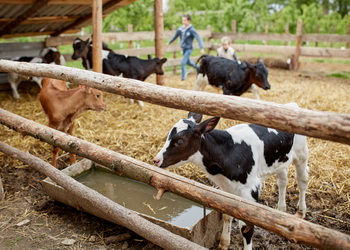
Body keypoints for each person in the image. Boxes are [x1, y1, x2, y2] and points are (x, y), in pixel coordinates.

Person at [167, 14, 205, 80]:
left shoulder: (192, 30)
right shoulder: (180, 29)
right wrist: (169, 42)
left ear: (189, 21)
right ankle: (198, 67)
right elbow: (175, 36)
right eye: (182, 20)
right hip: (183, 49)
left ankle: (183, 77)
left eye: (185, 20)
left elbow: (198, 38)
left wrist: (201, 48)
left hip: (189, 49)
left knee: (183, 62)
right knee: (188, 62)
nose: (183, 22)